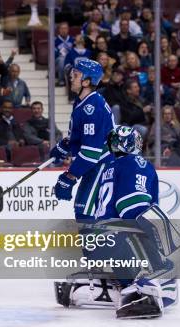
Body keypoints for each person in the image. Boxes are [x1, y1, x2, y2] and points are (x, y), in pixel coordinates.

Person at [56, 126, 178, 319]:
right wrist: (156, 234)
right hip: (119, 237)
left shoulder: (110, 167)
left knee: (126, 266)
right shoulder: (137, 162)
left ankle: (125, 284)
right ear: (135, 143)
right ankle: (145, 289)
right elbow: (132, 207)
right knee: (163, 265)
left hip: (100, 240)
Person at [49, 59, 115, 220]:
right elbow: (84, 136)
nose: (71, 77)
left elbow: (91, 152)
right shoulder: (84, 101)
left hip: (102, 164)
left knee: (85, 212)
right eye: (72, 73)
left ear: (86, 81)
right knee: (84, 210)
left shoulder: (92, 108)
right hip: (95, 164)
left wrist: (70, 176)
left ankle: (97, 245)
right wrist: (67, 144)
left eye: (76, 75)